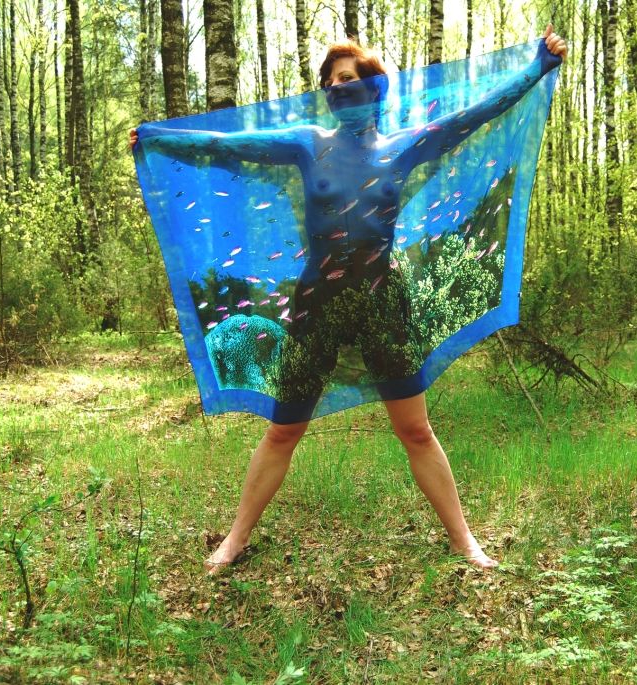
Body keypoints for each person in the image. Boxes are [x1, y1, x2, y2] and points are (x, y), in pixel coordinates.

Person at [130, 25, 567, 573]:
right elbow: (231, 145)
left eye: (346, 79)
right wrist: (160, 139)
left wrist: (535, 69)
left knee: (415, 430)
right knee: (284, 429)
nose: (336, 88)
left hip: (383, 303)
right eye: (329, 82)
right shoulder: (308, 143)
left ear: (372, 88)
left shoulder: (403, 148)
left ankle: (465, 542)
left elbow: (472, 117)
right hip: (317, 304)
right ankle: (235, 539)